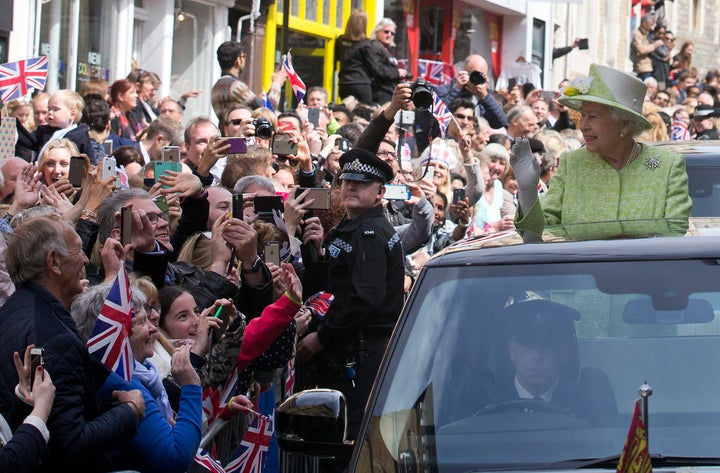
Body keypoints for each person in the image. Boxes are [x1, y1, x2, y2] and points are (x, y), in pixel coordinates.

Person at [0, 215, 144, 472]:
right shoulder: (53, 338)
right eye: (78, 250)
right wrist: (129, 412)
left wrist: (95, 364)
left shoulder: (16, 309)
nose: (86, 260)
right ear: (54, 261)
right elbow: (69, 443)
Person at [297, 148, 404, 441]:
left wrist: (322, 337)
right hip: (347, 349)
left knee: (348, 441)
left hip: (359, 353)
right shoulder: (350, 227)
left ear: (381, 192)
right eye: (347, 181)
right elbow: (334, 287)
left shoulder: (370, 233)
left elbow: (364, 301)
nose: (352, 187)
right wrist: (318, 255)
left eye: (362, 183)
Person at [511, 64, 692, 233]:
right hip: (582, 268)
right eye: (583, 115)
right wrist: (527, 191)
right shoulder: (572, 164)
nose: (583, 125)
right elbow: (536, 231)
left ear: (624, 124)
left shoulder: (667, 166)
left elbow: (676, 231)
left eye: (594, 117)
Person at [71, 282, 204, 473]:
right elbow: (175, 458)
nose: (153, 329)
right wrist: (191, 387)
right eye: (142, 322)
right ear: (115, 332)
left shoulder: (139, 373)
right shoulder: (120, 382)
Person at [436, 54, 508, 130]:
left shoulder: (485, 97)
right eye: (474, 74)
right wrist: (456, 89)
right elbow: (438, 116)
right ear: (464, 72)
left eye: (481, 76)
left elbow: (500, 122)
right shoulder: (446, 90)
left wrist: (484, 96)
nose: (476, 78)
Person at [211, 41, 262, 128]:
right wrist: (277, 84)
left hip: (227, 135)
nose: (244, 60)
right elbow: (264, 109)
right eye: (244, 56)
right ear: (238, 60)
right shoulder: (235, 86)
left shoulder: (216, 87)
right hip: (241, 135)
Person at [336, 10, 374, 103]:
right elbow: (373, 66)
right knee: (364, 112)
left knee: (346, 113)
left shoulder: (340, 40)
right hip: (362, 83)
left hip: (344, 83)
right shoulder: (367, 44)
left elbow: (336, 58)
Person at [369, 18, 407, 105]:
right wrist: (397, 73)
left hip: (389, 92)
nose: (389, 35)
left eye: (392, 33)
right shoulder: (374, 47)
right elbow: (378, 70)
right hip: (380, 92)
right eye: (386, 32)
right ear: (377, 31)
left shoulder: (386, 48)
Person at [630, 13, 664, 80]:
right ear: (644, 23)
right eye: (650, 25)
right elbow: (641, 50)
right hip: (642, 68)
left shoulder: (646, 34)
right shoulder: (637, 34)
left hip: (650, 67)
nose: (651, 27)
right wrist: (654, 45)